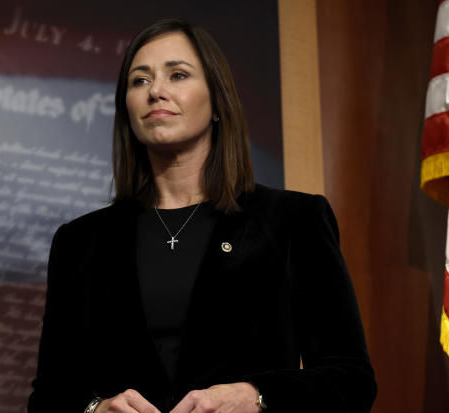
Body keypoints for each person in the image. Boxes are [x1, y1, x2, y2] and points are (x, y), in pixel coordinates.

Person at [28, 18, 376, 413]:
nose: (156, 91)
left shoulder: (294, 219)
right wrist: (94, 410)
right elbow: (48, 397)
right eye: (139, 81)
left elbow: (352, 380)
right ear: (126, 110)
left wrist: (256, 396)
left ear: (216, 101)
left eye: (177, 75)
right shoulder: (80, 241)